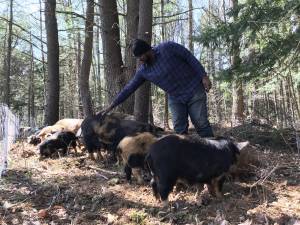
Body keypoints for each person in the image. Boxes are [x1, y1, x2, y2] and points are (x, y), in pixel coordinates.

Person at [101, 39, 214, 137]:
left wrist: (203, 76)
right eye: (138, 57)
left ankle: (215, 151)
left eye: (141, 56)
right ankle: (185, 157)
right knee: (179, 129)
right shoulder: (144, 71)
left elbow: (189, 57)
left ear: (147, 50)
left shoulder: (168, 47)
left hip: (193, 89)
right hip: (175, 97)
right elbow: (129, 88)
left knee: (201, 123)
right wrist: (112, 105)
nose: (140, 59)